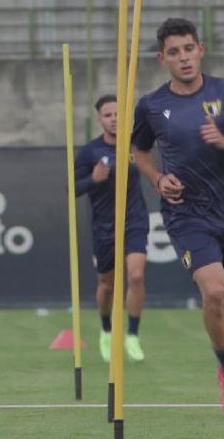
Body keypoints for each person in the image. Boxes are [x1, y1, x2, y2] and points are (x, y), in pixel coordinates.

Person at [131, 18, 224, 420]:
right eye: (174, 52)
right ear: (163, 59)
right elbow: (139, 151)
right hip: (186, 213)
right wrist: (158, 178)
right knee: (215, 293)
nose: (183, 58)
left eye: (188, 48)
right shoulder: (152, 105)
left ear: (201, 49)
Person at [74, 94, 150, 363]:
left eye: (118, 114)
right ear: (100, 120)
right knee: (106, 286)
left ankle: (132, 335)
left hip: (134, 220)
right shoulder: (89, 152)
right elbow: (72, 189)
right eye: (108, 115)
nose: (114, 119)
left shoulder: (135, 145)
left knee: (136, 275)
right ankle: (106, 330)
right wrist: (93, 180)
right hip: (104, 226)